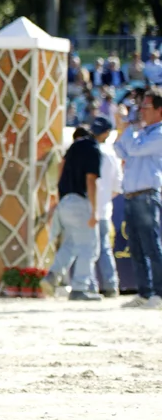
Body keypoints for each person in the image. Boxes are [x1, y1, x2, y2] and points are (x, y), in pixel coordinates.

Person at [114, 87, 162, 308]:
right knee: (137, 246)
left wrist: (127, 128)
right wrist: (123, 128)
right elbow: (120, 149)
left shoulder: (159, 134)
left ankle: (159, 294)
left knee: (153, 245)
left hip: (148, 195)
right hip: (133, 195)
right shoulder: (141, 133)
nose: (141, 111)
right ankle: (144, 293)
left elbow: (132, 149)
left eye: (146, 107)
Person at [41, 126, 101, 300]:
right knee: (88, 247)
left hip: (65, 201)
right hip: (79, 201)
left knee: (70, 244)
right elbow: (91, 179)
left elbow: (60, 167)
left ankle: (52, 276)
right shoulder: (92, 149)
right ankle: (79, 288)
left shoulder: (72, 148)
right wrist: (95, 211)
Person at [89, 116, 123, 296]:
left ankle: (90, 286)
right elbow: (118, 187)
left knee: (87, 249)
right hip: (104, 208)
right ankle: (111, 285)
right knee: (104, 249)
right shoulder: (112, 155)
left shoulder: (89, 151)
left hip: (88, 207)